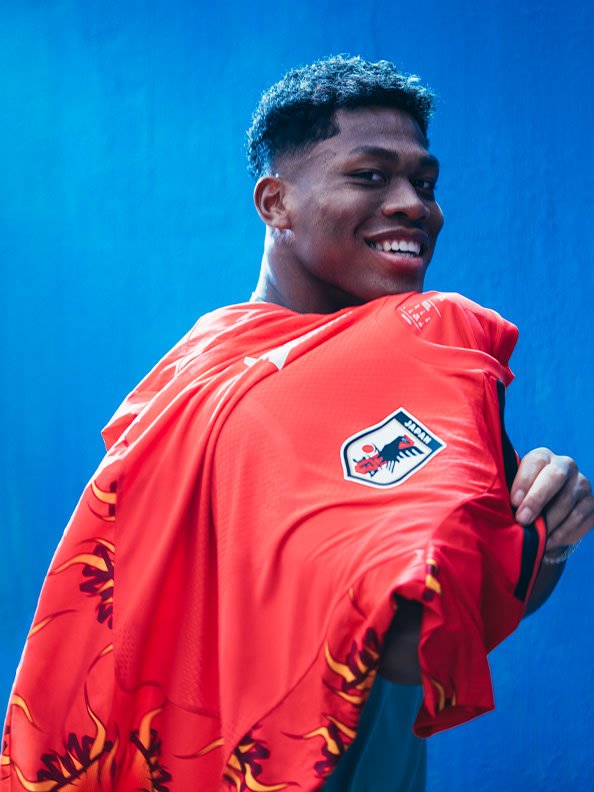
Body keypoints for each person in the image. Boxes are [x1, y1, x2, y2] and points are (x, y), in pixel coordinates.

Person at [2, 55, 592, 792]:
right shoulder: (380, 353)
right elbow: (416, 640)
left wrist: (547, 534)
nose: (414, 204)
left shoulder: (218, 377)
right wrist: (517, 541)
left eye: (426, 183)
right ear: (274, 203)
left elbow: (456, 608)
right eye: (370, 176)